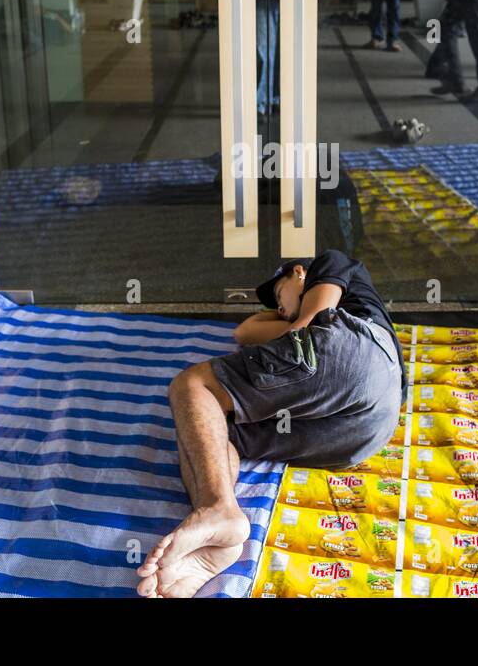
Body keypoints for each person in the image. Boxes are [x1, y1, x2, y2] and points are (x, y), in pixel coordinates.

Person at [136, 250, 404, 598]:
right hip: (362, 433)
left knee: (192, 385)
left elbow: (307, 324)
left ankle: (217, 509)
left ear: (299, 272)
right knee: (208, 430)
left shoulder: (332, 262)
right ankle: (221, 525)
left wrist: (293, 309)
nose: (278, 308)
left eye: (278, 295)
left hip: (358, 354)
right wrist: (286, 305)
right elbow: (245, 332)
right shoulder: (303, 307)